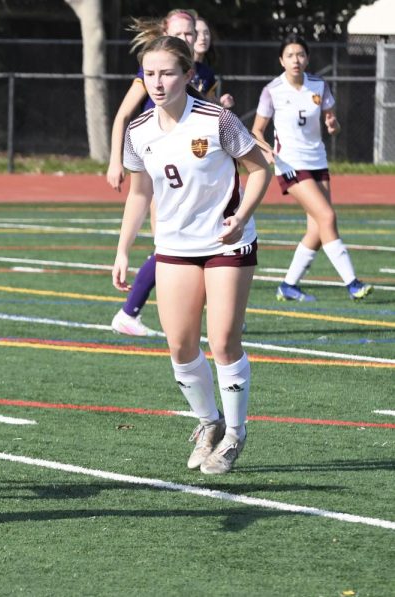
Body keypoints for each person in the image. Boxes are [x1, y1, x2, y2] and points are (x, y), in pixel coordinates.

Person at [111, 36, 271, 474]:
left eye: (166, 73)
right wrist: (124, 248)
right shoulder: (139, 130)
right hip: (175, 247)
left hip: (226, 243)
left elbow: (260, 169)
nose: (157, 82)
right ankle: (209, 423)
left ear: (186, 75)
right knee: (180, 345)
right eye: (149, 74)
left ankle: (235, 434)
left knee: (222, 341)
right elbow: (140, 190)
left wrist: (240, 215)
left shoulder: (215, 118)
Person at [108, 11, 236, 337]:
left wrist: (219, 104)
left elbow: (205, 116)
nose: (191, 39)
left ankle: (218, 308)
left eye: (193, 34)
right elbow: (124, 114)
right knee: (166, 242)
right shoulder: (154, 71)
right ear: (166, 32)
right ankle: (131, 312)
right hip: (159, 163)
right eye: (182, 33)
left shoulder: (203, 73)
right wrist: (115, 160)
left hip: (192, 165)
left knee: (190, 240)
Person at [252, 34, 372, 302]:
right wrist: (266, 150)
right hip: (290, 163)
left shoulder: (318, 85)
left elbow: (333, 122)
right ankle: (352, 283)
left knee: (318, 229)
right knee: (327, 217)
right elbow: (257, 130)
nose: (296, 60)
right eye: (291, 55)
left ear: (307, 58)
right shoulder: (273, 90)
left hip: (317, 160)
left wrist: (333, 126)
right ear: (281, 60)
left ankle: (288, 286)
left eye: (301, 54)